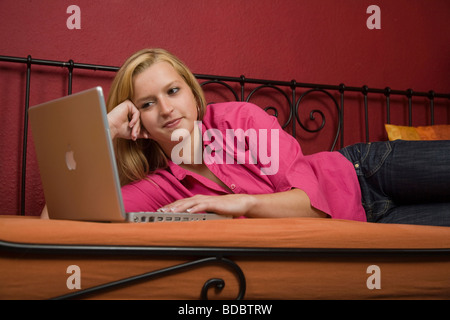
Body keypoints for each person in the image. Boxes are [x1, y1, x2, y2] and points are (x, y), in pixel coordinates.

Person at [45, 48, 450, 226]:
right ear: (139, 123)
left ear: (191, 91)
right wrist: (104, 129)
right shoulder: (161, 188)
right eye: (147, 104)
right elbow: (52, 221)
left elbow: (311, 205)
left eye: (172, 91)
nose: (167, 109)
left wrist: (242, 202)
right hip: (373, 223)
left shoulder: (240, 118)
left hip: (365, 173)